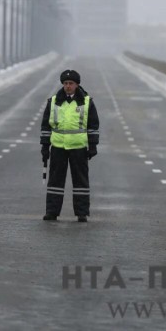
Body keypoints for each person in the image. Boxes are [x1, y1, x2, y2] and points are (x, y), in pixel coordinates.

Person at [40, 69, 100, 222]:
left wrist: (93, 145)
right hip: (58, 147)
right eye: (65, 83)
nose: (68, 86)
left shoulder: (87, 102)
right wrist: (45, 147)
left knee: (80, 181)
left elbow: (93, 125)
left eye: (71, 83)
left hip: (78, 147)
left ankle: (82, 213)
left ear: (77, 85)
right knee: (55, 181)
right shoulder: (53, 101)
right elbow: (46, 126)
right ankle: (52, 212)